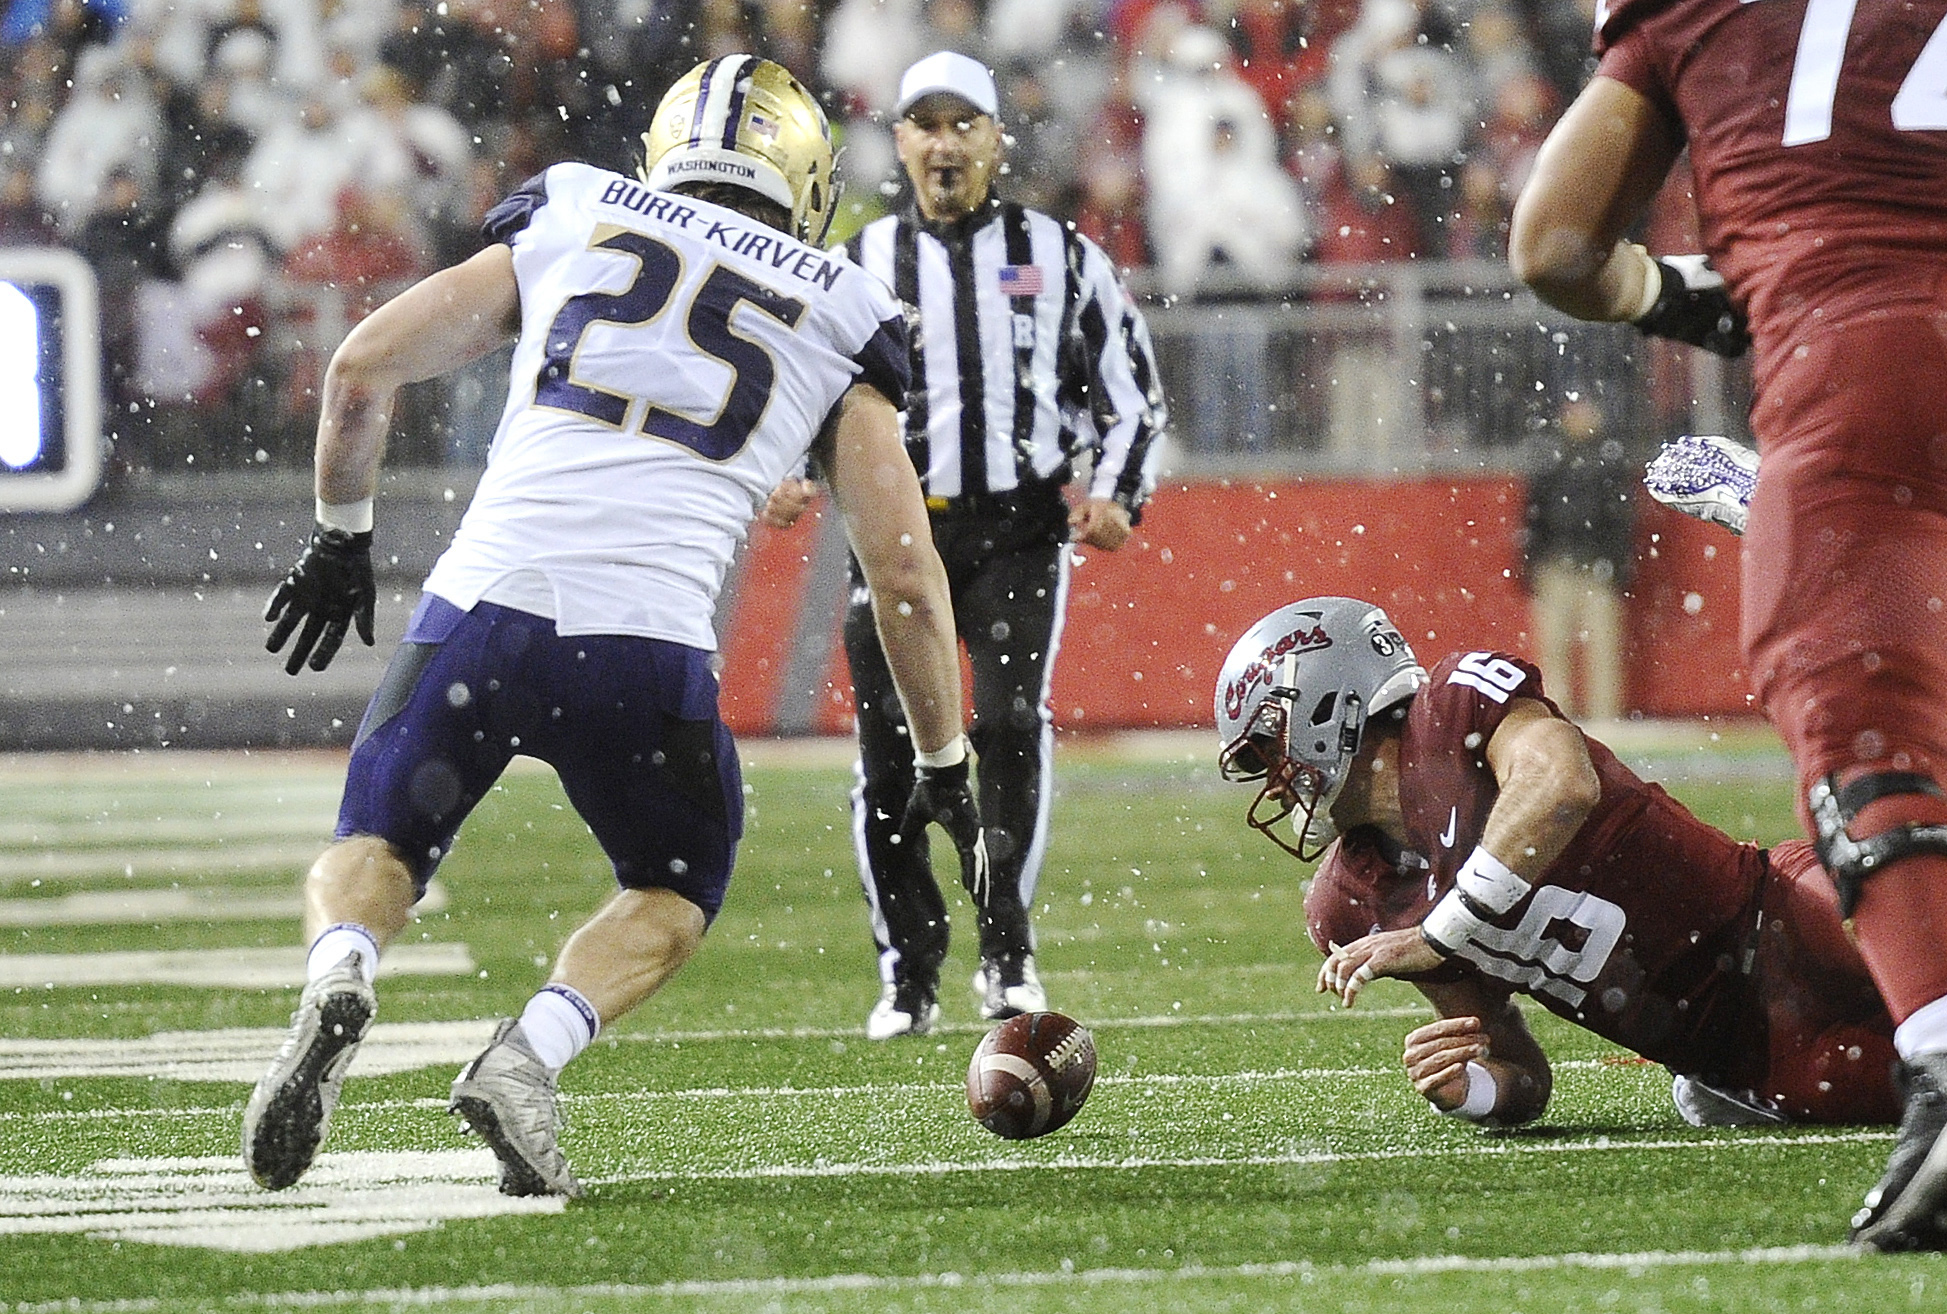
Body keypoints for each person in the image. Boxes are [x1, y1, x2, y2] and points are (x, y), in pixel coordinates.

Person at [243, 54, 987, 1199]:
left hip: (481, 608)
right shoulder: (845, 307)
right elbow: (902, 571)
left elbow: (358, 370)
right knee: (674, 886)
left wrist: (341, 537)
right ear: (806, 180)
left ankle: (342, 970)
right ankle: (527, 1056)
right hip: (644, 648)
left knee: (380, 840)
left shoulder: (579, 206)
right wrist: (942, 754)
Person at [1505, 0, 1947, 1251]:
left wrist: (1692, 298)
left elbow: (1553, 245)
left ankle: (1942, 1055)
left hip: (1862, 359)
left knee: (1865, 707)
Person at [764, 50, 1168, 1040]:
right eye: (926, 125)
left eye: (963, 125)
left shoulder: (1060, 252)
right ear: (898, 140)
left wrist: (1115, 493)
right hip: (893, 528)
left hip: (1020, 526)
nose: (944, 144)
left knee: (1010, 729)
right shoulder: (856, 267)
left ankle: (1005, 948)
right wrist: (779, 468)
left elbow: (1133, 393)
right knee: (891, 751)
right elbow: (794, 387)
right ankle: (908, 969)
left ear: (995, 137)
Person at [1213, 597, 1900, 1137]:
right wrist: (1469, 1087)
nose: (1271, 782)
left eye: (1265, 750)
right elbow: (1518, 1071)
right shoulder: (1351, 899)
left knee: (1878, 915)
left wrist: (1441, 930)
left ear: (1325, 703)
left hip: (1771, 915)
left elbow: (1560, 785)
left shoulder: (1452, 710)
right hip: (1749, 1057)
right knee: (1910, 1086)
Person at [1522, 397, 1634, 723]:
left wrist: (1616, 565)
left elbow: (1622, 522)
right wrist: (1533, 565)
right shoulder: (1555, 460)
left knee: (1602, 649)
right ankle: (1561, 716)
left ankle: (1604, 719)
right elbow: (1533, 516)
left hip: (1594, 568)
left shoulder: (1607, 462)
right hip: (1561, 566)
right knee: (1555, 648)